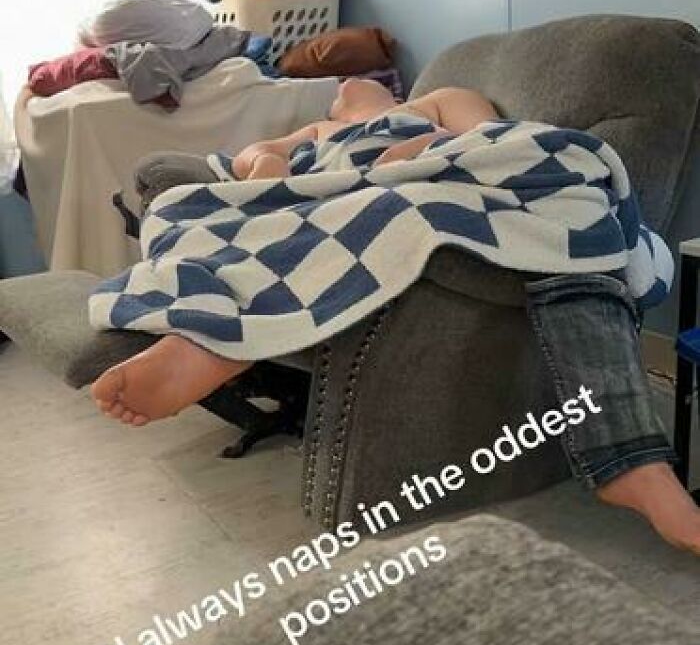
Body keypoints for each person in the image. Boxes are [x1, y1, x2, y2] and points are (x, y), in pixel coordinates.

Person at [90, 78, 700, 557]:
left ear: (393, 89)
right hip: (344, 196)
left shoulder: (435, 102)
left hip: (435, 180)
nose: (343, 87)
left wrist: (421, 148)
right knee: (212, 209)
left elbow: (496, 139)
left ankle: (631, 459)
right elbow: (257, 163)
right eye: (337, 90)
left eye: (355, 82)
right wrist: (280, 170)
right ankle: (215, 337)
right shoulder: (315, 132)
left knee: (574, 193)